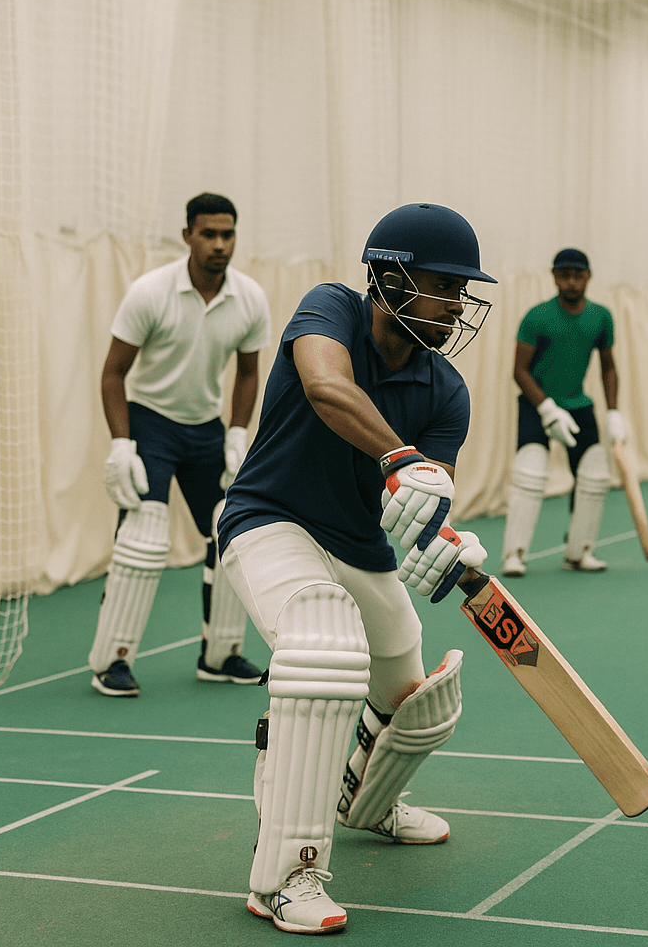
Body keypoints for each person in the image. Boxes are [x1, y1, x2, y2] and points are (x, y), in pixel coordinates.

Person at [216, 202, 496, 935]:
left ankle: (364, 803)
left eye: (464, 291)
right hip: (269, 520)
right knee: (321, 650)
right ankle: (285, 873)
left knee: (417, 701)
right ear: (391, 279)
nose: (457, 305)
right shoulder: (330, 309)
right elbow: (326, 387)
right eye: (444, 285)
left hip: (357, 545)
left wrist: (444, 542)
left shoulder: (445, 391)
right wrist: (401, 460)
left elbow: (422, 497)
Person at [88, 192, 272, 696]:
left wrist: (237, 432)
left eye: (227, 234)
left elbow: (249, 372)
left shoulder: (249, 298)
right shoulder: (151, 292)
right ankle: (112, 662)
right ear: (187, 234)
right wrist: (122, 444)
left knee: (230, 530)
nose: (219, 244)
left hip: (204, 427)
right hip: (151, 423)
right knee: (144, 536)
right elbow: (112, 373)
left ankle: (220, 655)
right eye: (208, 234)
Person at [500, 248, 627, 577]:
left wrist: (613, 412)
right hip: (536, 404)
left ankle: (579, 549)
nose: (571, 282)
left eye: (578, 275)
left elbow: (609, 368)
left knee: (594, 473)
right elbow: (519, 370)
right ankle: (514, 553)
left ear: (588, 277)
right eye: (564, 275)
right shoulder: (537, 316)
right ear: (554, 277)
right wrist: (545, 408)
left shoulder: (601, 316)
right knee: (531, 468)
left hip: (578, 405)